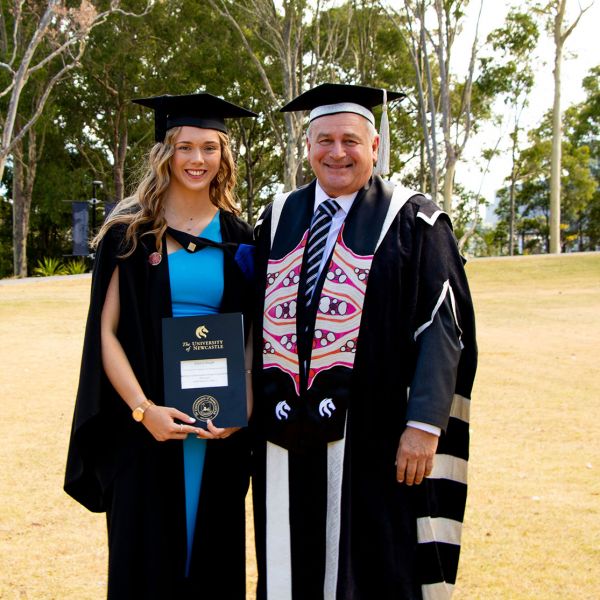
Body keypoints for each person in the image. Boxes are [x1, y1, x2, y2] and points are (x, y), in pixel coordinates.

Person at [251, 83, 477, 600]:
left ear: (374, 147)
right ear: (306, 148)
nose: (337, 152)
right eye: (324, 139)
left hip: (374, 439)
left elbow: (444, 325)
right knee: (292, 560)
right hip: (286, 434)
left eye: (350, 140)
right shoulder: (277, 217)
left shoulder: (415, 222)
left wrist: (423, 427)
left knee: (372, 566)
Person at [64, 92, 257, 599]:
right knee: (145, 560)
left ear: (224, 156)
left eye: (210, 148)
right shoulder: (130, 233)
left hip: (217, 427)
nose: (197, 160)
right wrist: (142, 410)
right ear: (165, 152)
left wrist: (247, 401)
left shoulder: (242, 238)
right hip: (149, 430)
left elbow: (252, 335)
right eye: (185, 147)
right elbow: (104, 333)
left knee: (213, 558)